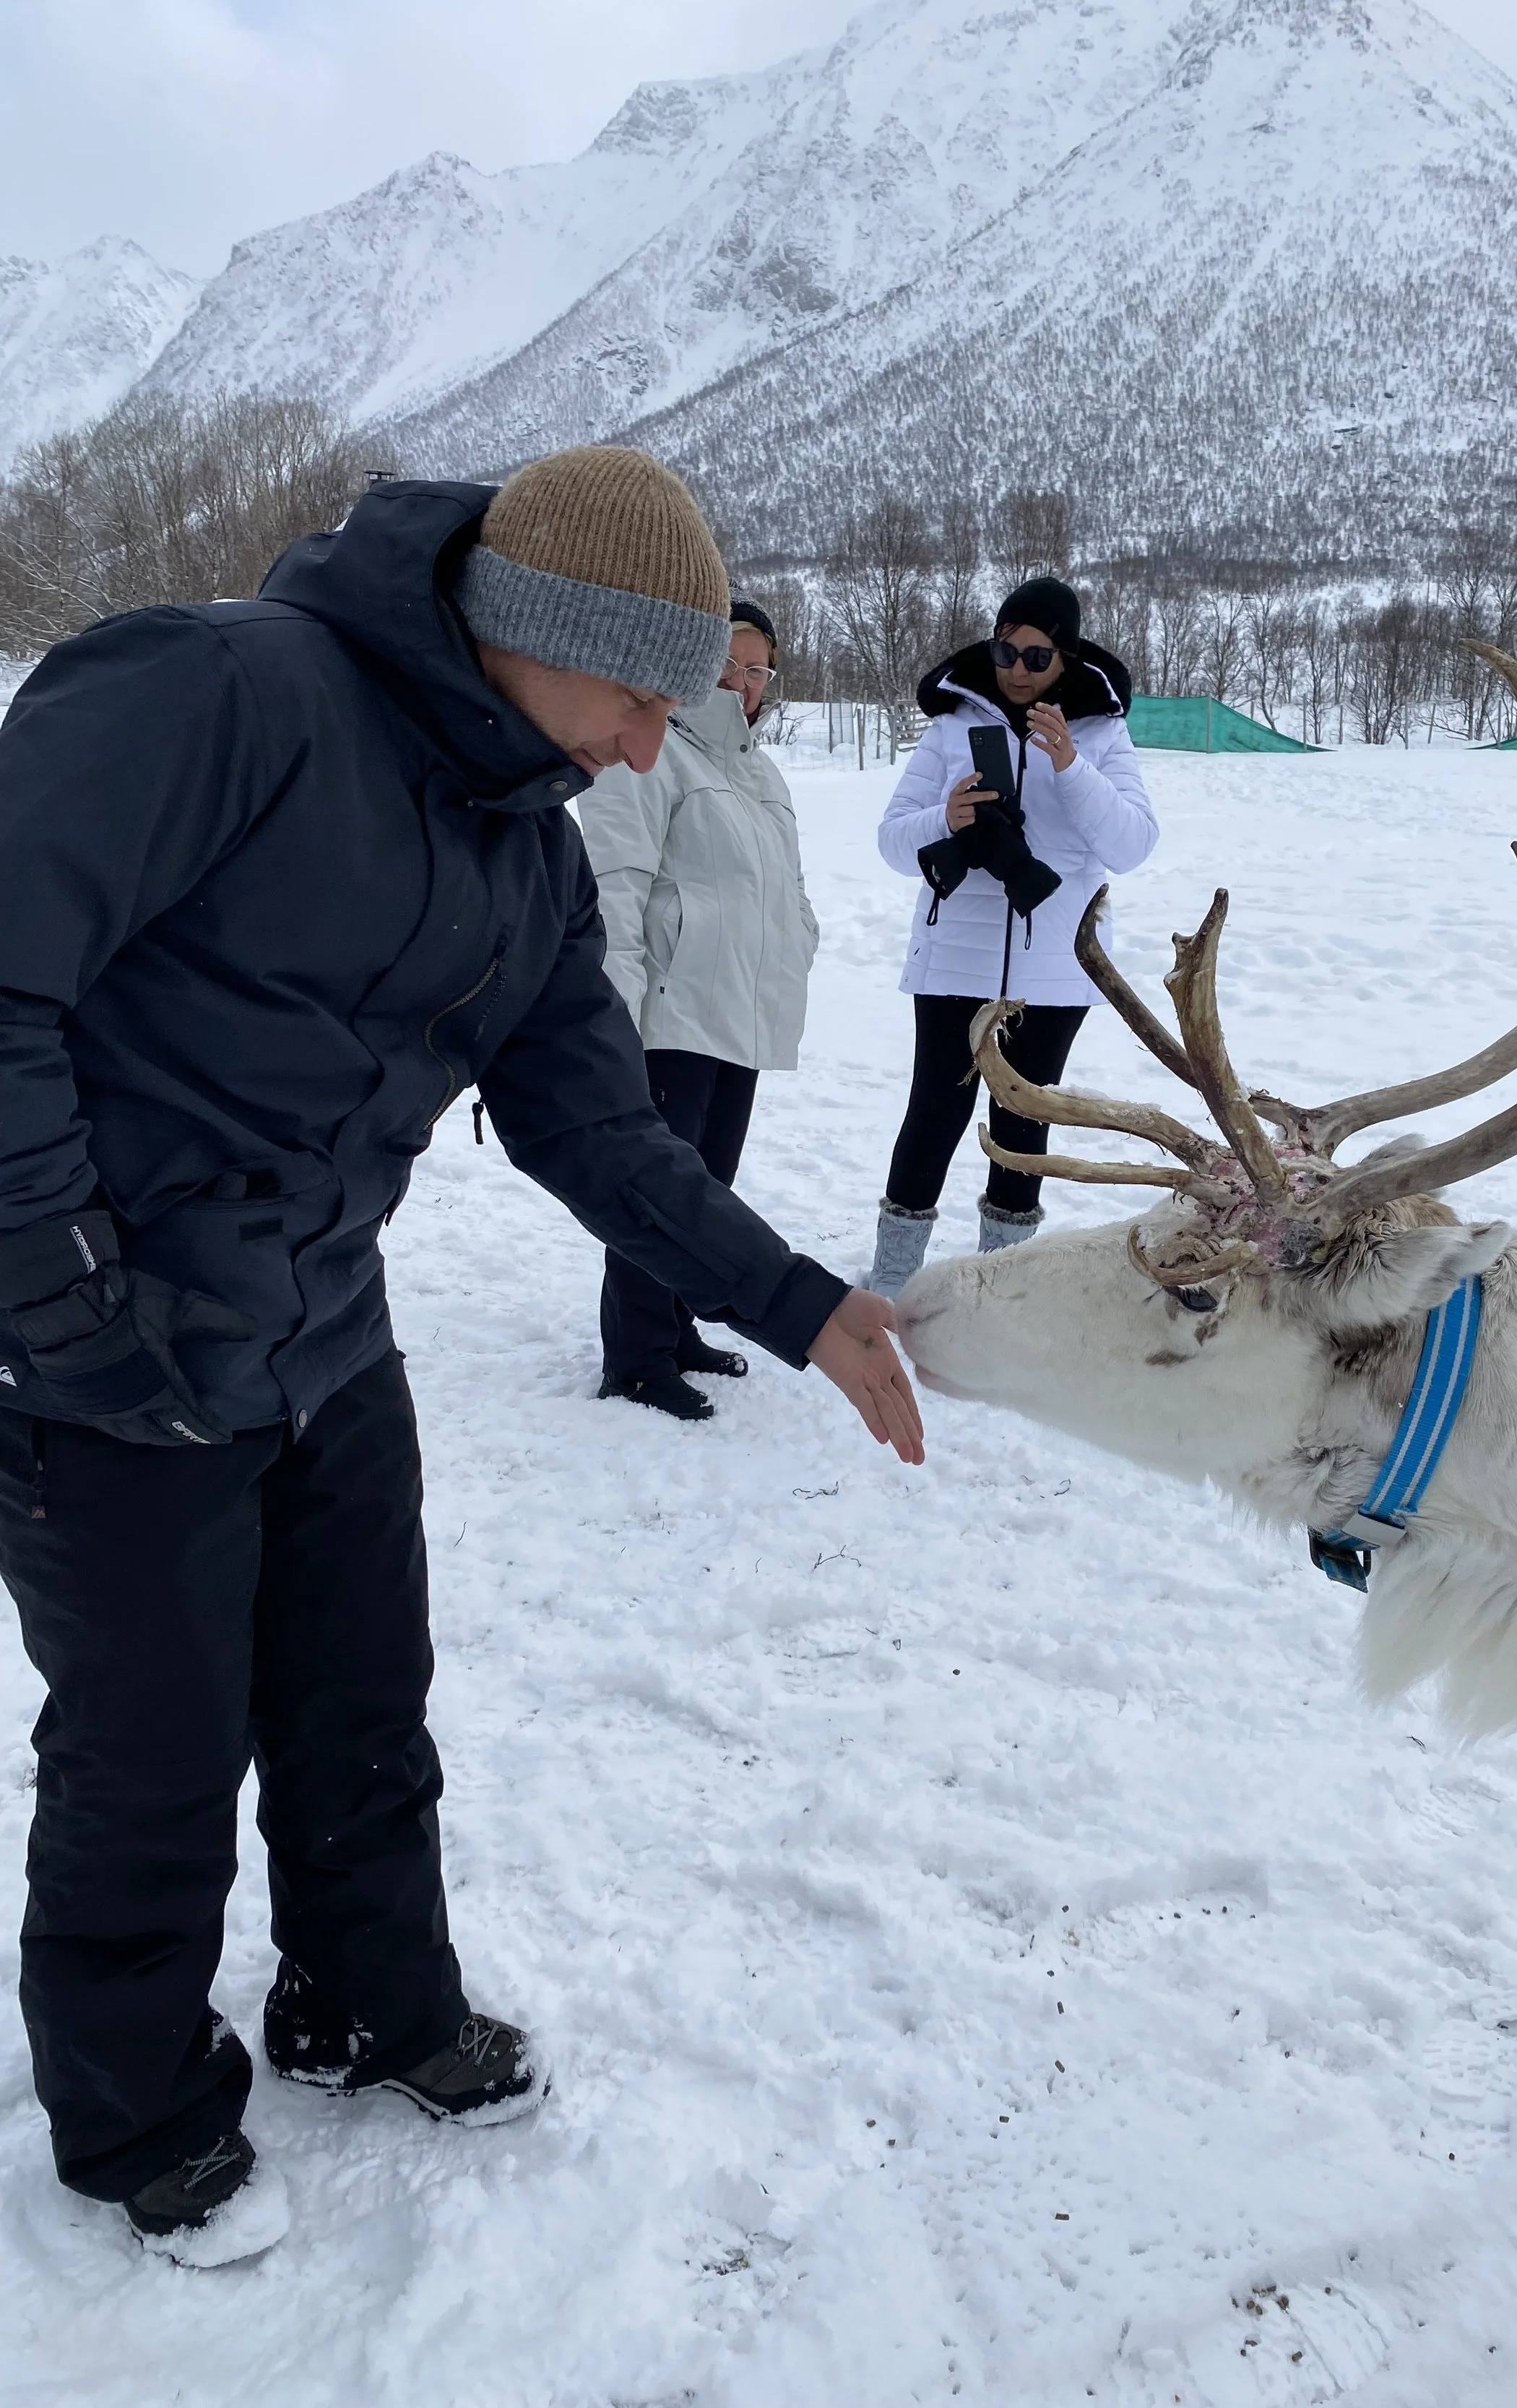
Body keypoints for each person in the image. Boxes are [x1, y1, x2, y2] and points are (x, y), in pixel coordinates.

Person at [0, 446, 922, 2264]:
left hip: (323, 1336)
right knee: (154, 1757)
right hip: (100, 1358)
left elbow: (602, 1126)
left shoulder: (522, 845)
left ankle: (367, 2008)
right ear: (530, 634)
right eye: (640, 698)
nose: (655, 747)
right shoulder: (218, 691)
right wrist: (62, 1297)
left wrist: (797, 1300)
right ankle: (137, 2120)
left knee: (360, 1708)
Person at [868, 576, 1157, 1295]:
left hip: (1055, 969)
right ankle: (894, 1281)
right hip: (952, 962)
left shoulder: (1101, 732)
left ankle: (1001, 1285)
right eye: (1006, 650)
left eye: (1036, 656)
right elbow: (891, 843)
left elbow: (1132, 845)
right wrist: (947, 818)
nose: (1016, 668)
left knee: (1024, 1120)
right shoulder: (951, 726)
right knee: (933, 1113)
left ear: (1067, 657)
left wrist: (1070, 766)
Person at [580, 595, 817, 1420]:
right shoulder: (648, 754)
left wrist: (800, 948)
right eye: (727, 662)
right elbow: (617, 884)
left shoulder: (760, 771)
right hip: (669, 1014)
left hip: (738, 1015)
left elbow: (783, 890)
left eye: (757, 669)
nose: (742, 681)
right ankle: (636, 1357)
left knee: (707, 1186)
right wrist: (619, 1015)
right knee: (655, 1190)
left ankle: (676, 1328)